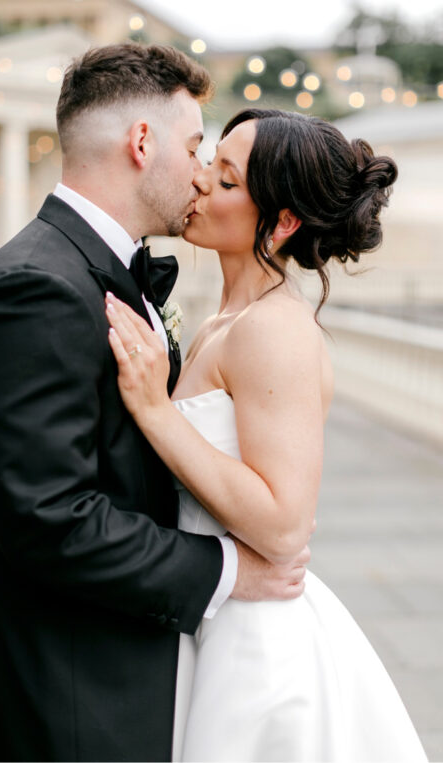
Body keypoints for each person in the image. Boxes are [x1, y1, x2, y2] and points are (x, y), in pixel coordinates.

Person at [0, 43, 308, 761]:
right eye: (196, 146)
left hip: (127, 681)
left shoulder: (98, 273)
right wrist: (230, 570)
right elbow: (51, 520)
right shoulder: (34, 289)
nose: (202, 173)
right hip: (66, 706)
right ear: (142, 143)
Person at [106, 108, 425, 760]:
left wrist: (158, 413)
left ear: (281, 223)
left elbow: (283, 524)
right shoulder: (225, 320)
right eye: (210, 163)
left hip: (256, 646)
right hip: (209, 615)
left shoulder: (273, 330)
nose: (198, 183)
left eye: (224, 180)